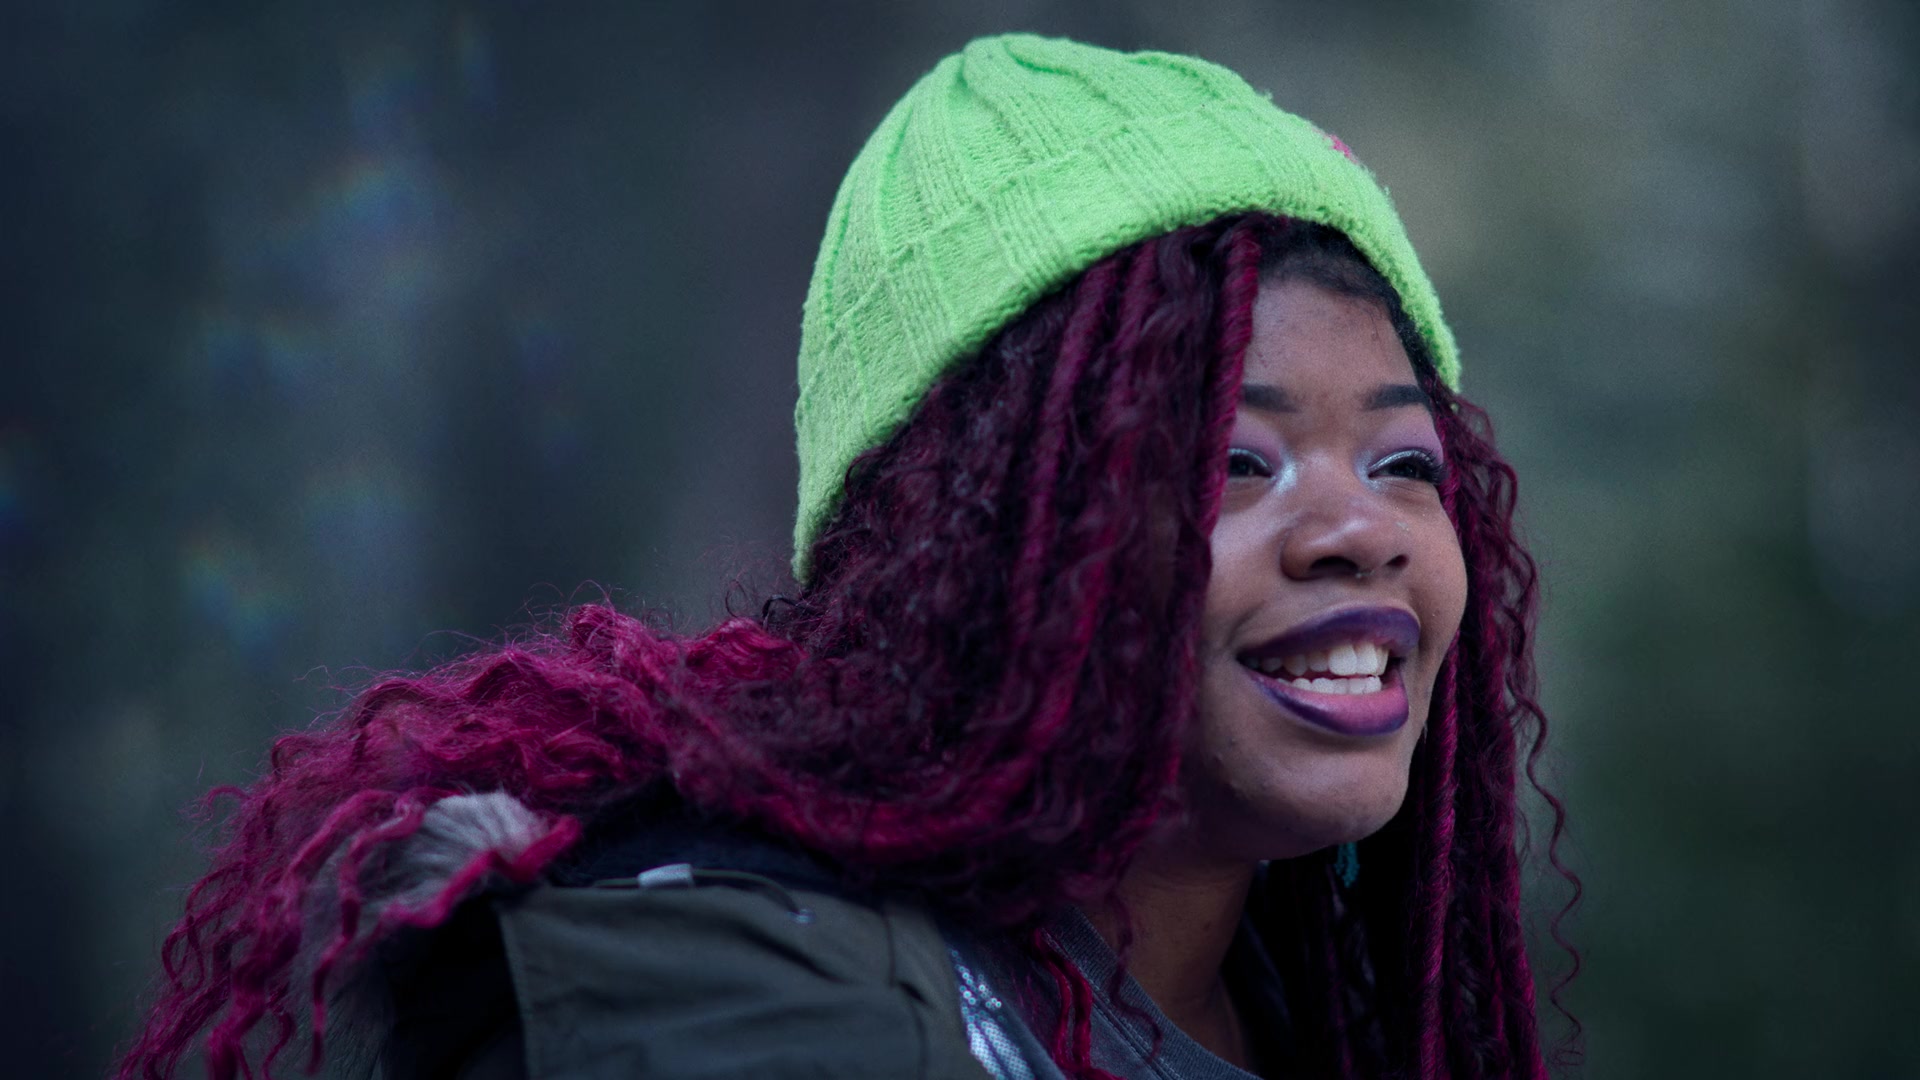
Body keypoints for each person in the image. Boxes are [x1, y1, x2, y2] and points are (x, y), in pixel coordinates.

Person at [117, 34, 1574, 1080]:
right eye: (1234, 463)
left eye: (1404, 464)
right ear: (986, 544)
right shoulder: (739, 1003)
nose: (1360, 530)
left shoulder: (1341, 1017)